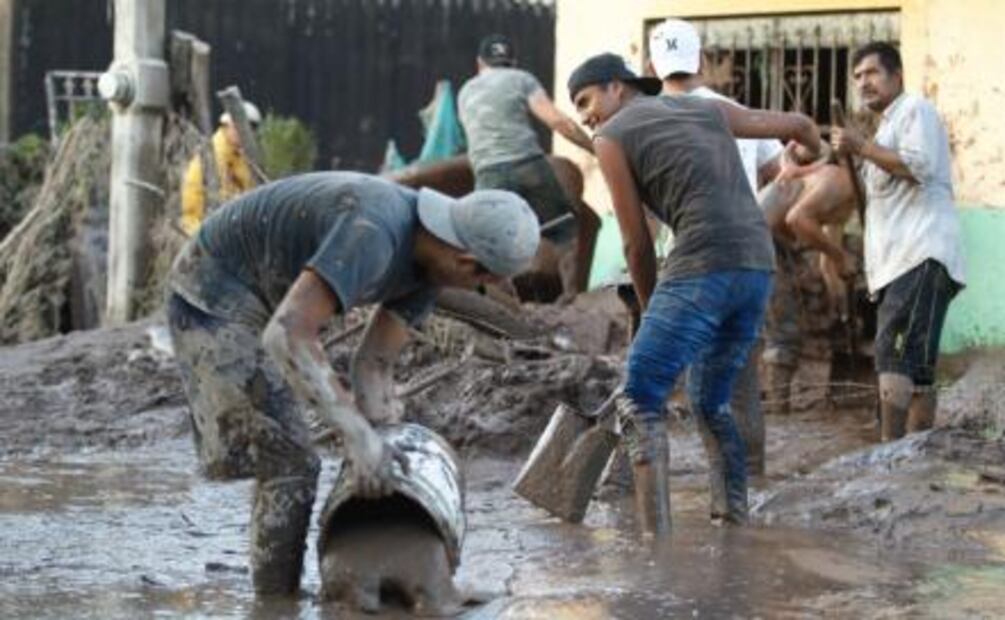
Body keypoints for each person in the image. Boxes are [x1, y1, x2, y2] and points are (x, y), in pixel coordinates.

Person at [165, 171, 539, 594]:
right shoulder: (375, 232)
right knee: (289, 462)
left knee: (293, 452)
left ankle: (278, 590)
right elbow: (286, 335)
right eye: (482, 283)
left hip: (268, 300)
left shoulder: (429, 266)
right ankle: (276, 602)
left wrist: (383, 443)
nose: (477, 290)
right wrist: (358, 438)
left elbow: (374, 364)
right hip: (213, 289)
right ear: (468, 263)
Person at [567, 53, 821, 531]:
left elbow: (636, 244)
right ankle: (732, 520)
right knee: (710, 403)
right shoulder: (709, 109)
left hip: (700, 262)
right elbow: (800, 124)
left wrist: (648, 311)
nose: (585, 116)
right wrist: (813, 153)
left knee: (639, 397)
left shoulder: (610, 137)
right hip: (756, 266)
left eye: (586, 100)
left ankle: (654, 548)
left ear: (617, 88)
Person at [648, 18, 785, 475]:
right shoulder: (732, 110)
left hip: (694, 259)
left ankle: (719, 496)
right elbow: (777, 169)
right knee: (740, 376)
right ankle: (754, 483)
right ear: (702, 60)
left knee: (692, 383)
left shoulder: (650, 120)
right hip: (749, 258)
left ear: (652, 66)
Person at [831, 42, 965, 441]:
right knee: (918, 363)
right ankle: (915, 451)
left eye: (871, 73)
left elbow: (917, 166)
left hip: (919, 254)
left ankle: (891, 451)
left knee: (892, 351)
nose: (863, 82)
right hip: (905, 260)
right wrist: (855, 153)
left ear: (897, 75)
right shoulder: (887, 126)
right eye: (857, 77)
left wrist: (860, 146)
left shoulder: (915, 111)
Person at [458, 34, 594, 298]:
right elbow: (557, 121)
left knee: (488, 240)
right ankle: (571, 296)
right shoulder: (522, 79)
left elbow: (475, 141)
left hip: (488, 172)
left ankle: (497, 301)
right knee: (564, 229)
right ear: (513, 61)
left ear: (479, 63)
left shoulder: (466, 91)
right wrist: (595, 148)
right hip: (528, 166)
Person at [179, 100, 262, 235]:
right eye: (239, 127)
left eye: (252, 129)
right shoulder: (216, 154)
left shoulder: (239, 155)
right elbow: (222, 196)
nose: (245, 133)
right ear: (228, 126)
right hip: (200, 227)